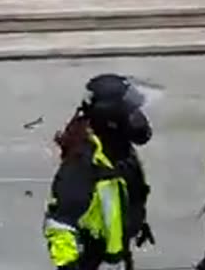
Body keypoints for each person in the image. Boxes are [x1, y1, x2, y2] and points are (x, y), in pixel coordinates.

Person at [44, 74, 155, 270]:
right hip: (94, 260)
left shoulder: (119, 151)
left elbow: (126, 195)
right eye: (131, 113)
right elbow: (59, 225)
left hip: (116, 256)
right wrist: (69, 266)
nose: (138, 119)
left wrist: (134, 222)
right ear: (112, 118)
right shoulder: (84, 164)